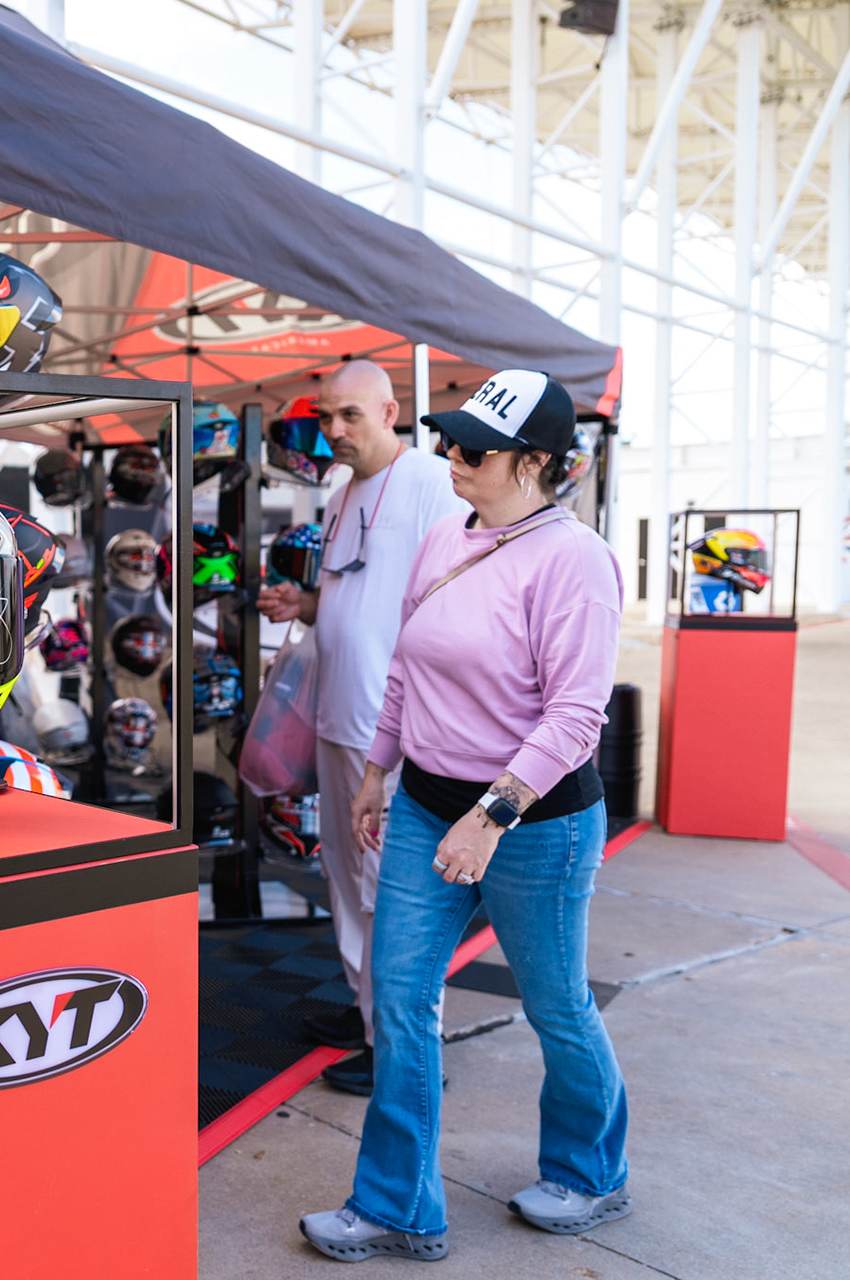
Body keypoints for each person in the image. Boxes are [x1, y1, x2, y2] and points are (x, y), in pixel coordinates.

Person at [298, 371, 630, 1263]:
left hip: (537, 824)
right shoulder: (448, 533)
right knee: (401, 1000)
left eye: (475, 448)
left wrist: (490, 818)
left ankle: (592, 1170)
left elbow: (576, 717)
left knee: (556, 1003)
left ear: (535, 463)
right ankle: (398, 1205)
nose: (451, 455)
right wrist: (378, 770)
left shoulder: (575, 561)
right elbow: (408, 666)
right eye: (450, 437)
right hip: (424, 804)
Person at [257, 361, 464, 1095]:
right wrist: (305, 606)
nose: (334, 429)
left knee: (391, 890)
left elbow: (458, 600)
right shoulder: (344, 492)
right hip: (339, 715)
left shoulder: (431, 482)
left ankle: (403, 1047)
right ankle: (366, 1009)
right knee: (346, 877)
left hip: (391, 728)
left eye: (350, 414)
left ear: (389, 411)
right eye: (326, 416)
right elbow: (361, 597)